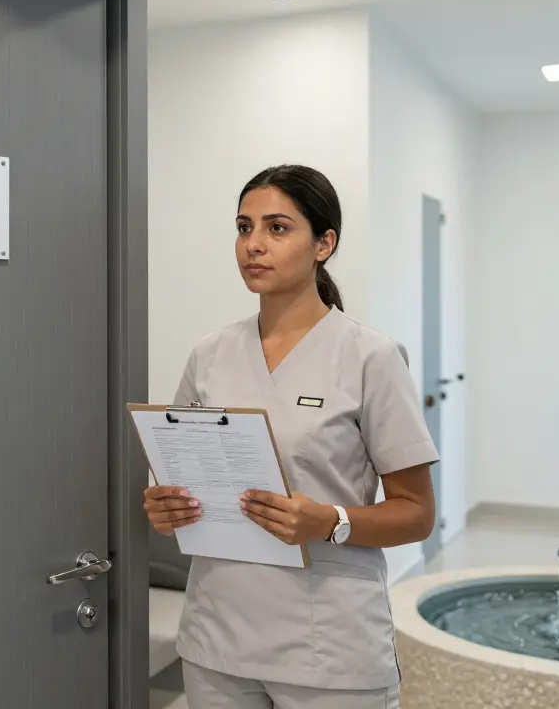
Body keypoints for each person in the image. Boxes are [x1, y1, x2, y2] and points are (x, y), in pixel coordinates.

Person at [143, 165, 438, 709]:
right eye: (243, 227)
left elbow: (417, 513)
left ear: (324, 243)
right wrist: (165, 507)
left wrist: (332, 521)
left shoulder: (370, 357)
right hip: (218, 641)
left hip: (329, 647)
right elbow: (179, 482)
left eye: (277, 228)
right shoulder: (208, 356)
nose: (253, 244)